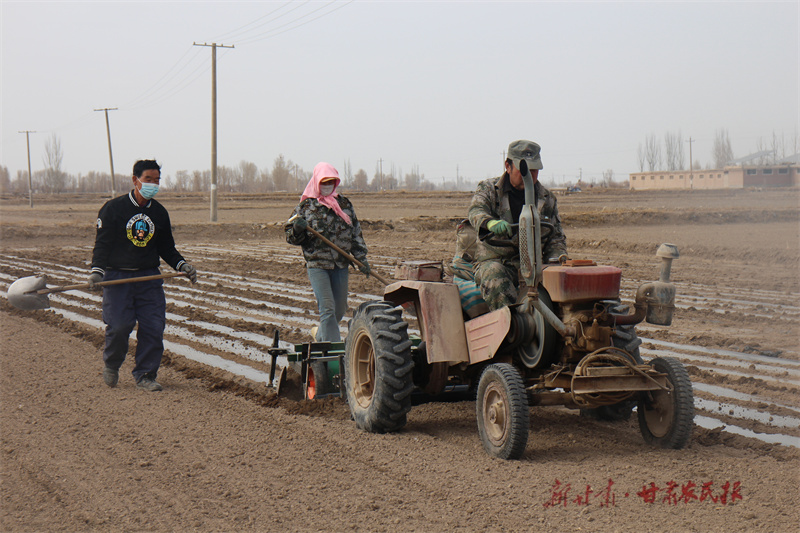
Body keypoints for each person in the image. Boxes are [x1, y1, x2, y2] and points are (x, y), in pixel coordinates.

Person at [88, 159, 197, 391]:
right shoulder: (113, 209)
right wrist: (97, 272)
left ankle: (146, 374)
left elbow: (167, 248)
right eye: (148, 179)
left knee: (153, 327)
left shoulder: (159, 213)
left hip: (149, 279)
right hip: (119, 278)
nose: (153, 184)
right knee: (118, 326)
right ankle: (112, 363)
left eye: (157, 180)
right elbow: (102, 245)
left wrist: (182, 265)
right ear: (135, 180)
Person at [468, 140, 567, 311]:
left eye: (534, 170)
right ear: (508, 166)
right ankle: (512, 330)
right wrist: (490, 223)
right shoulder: (489, 189)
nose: (531, 176)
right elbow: (476, 211)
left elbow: (556, 238)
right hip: (497, 261)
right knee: (494, 276)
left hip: (535, 265)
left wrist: (558, 259)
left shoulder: (547, 199)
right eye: (525, 170)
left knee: (564, 283)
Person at [285, 162, 370, 343]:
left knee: (339, 309)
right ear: (316, 182)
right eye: (324, 182)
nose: (327, 185)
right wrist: (297, 230)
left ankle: (320, 336)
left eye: (331, 181)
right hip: (318, 265)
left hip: (340, 263)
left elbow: (355, 231)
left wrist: (361, 258)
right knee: (328, 308)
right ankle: (332, 354)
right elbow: (290, 237)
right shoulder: (305, 208)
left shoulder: (344, 205)